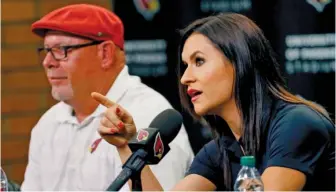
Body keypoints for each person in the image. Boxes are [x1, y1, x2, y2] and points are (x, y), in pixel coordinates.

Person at [94, 13, 335, 191]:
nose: (186, 77)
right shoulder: (220, 150)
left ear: (241, 62)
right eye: (185, 65)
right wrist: (126, 146)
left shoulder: (297, 123)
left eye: (199, 61)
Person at [21, 4, 194, 191]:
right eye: (46, 51)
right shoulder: (48, 124)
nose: (48, 62)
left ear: (105, 54)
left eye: (61, 49)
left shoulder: (146, 114)